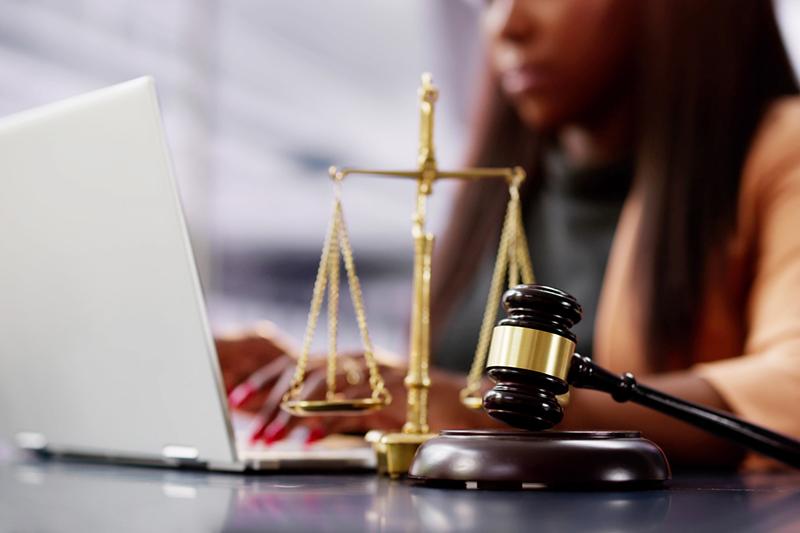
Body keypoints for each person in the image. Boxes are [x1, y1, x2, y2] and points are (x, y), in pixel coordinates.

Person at [217, 0, 800, 469]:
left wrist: (481, 412)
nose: (508, 24)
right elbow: (449, 379)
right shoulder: (508, 177)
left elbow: (787, 391)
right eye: (490, 0)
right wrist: (342, 385)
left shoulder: (780, 151)